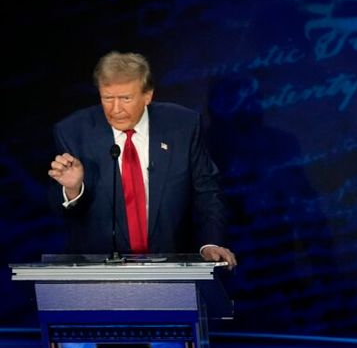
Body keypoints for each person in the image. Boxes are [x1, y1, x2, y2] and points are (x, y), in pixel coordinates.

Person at [46, 50, 237, 268]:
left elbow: (207, 191)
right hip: (98, 272)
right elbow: (56, 209)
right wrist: (73, 189)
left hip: (172, 266)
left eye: (126, 98)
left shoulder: (182, 126)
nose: (116, 109)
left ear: (148, 95)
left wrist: (210, 243)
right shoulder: (73, 131)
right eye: (107, 98)